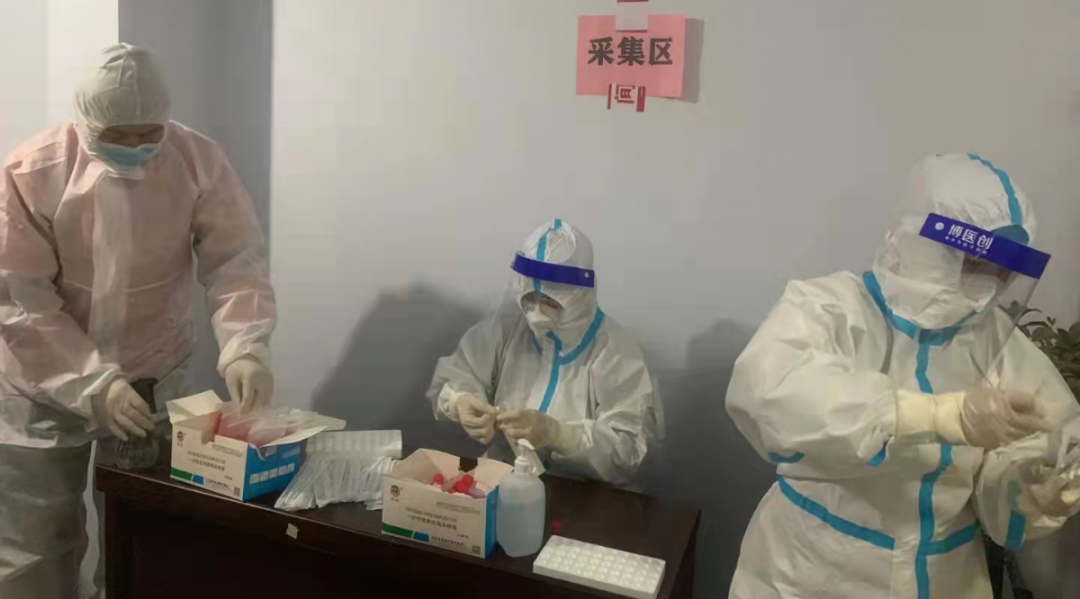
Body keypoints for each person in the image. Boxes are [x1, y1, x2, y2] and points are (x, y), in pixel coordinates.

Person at [725, 153, 1080, 599]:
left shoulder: (1001, 346)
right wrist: (935, 416)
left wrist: (1031, 487)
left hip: (946, 576)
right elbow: (770, 392)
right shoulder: (831, 308)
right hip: (811, 570)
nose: (988, 283)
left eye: (1003, 271)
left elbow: (1039, 447)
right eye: (975, 263)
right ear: (922, 245)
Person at [0, 44, 276, 598]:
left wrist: (244, 345)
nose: (134, 146)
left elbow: (235, 259)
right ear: (86, 122)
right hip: (42, 384)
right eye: (116, 135)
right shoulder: (33, 171)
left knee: (144, 533)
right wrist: (92, 383)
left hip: (152, 375)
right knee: (34, 546)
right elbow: (21, 299)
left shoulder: (196, 160)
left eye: (148, 133)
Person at [428, 219, 660, 486]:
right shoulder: (506, 327)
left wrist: (559, 435)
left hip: (583, 493)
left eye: (550, 302)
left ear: (579, 296)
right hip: (503, 479)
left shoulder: (615, 349)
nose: (536, 313)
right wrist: (461, 401)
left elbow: (628, 449)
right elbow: (458, 374)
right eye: (529, 299)